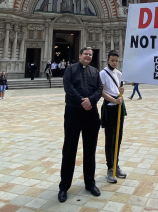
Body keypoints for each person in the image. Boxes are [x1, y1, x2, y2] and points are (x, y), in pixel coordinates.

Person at [58, 47, 103, 203]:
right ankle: (64, 187)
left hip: (91, 113)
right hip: (73, 112)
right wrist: (82, 101)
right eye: (86, 54)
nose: (88, 56)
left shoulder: (95, 71)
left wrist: (91, 101)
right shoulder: (70, 69)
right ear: (80, 55)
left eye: (90, 54)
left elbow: (99, 88)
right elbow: (68, 87)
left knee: (90, 150)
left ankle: (90, 183)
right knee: (69, 149)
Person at [100, 50, 127, 184]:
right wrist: (114, 100)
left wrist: (122, 92)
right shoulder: (103, 73)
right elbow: (102, 92)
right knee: (110, 138)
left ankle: (116, 164)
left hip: (119, 107)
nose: (114, 63)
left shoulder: (120, 74)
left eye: (116, 61)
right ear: (107, 60)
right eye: (112, 60)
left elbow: (120, 90)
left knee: (119, 136)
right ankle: (110, 167)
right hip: (110, 107)